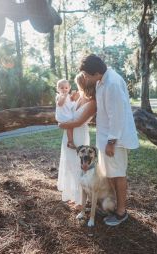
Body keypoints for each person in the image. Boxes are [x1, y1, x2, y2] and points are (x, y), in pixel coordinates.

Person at [78, 54, 140, 226]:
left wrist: (111, 142)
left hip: (115, 141)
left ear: (96, 72)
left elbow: (117, 115)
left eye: (87, 75)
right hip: (105, 139)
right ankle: (113, 207)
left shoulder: (112, 83)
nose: (86, 78)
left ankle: (121, 213)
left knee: (118, 174)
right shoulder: (101, 81)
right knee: (110, 174)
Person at [56, 73, 97, 212]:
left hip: (79, 134)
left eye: (78, 83)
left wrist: (62, 125)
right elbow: (65, 108)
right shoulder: (78, 96)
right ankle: (74, 195)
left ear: (83, 84)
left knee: (79, 166)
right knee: (70, 164)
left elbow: (79, 121)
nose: (76, 87)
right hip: (69, 135)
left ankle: (81, 201)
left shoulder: (92, 101)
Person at [55, 79, 79, 150]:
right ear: (57, 89)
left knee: (70, 127)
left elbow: (71, 103)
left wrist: (73, 96)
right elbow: (60, 104)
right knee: (70, 126)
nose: (64, 89)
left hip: (66, 115)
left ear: (69, 88)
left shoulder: (68, 96)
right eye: (61, 88)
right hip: (62, 116)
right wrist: (64, 96)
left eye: (66, 88)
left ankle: (70, 141)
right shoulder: (59, 96)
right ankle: (70, 142)